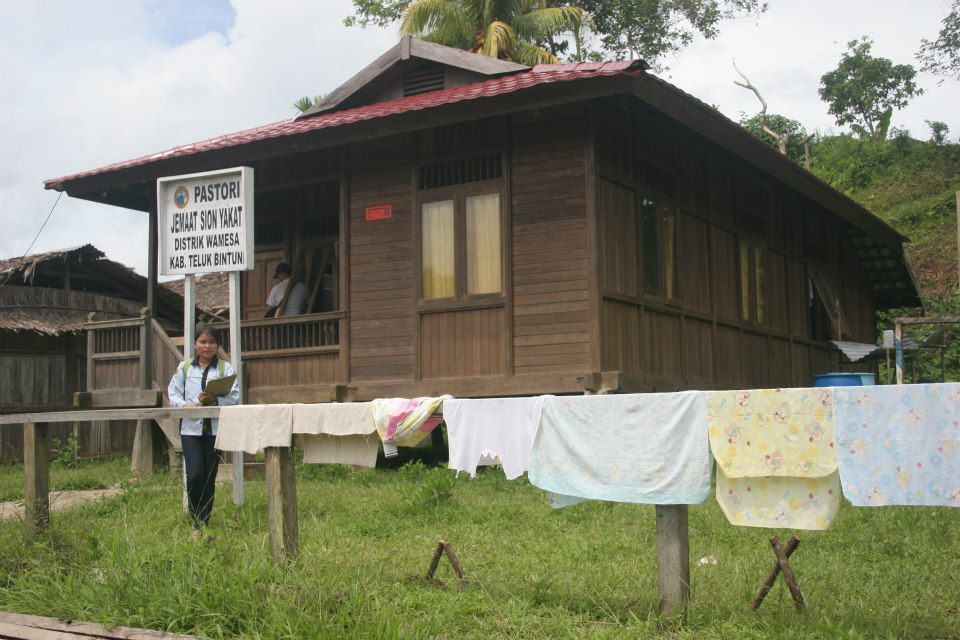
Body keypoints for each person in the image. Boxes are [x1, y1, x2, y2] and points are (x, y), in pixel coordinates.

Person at [167, 326, 239, 538]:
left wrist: (214, 400)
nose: (207, 346)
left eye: (212, 342)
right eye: (203, 342)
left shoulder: (226, 369)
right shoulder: (185, 367)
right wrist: (187, 406)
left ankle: (202, 523)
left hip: (215, 429)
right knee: (195, 475)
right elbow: (173, 393)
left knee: (209, 476)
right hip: (191, 429)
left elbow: (234, 397)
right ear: (195, 345)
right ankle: (195, 516)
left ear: (218, 345)